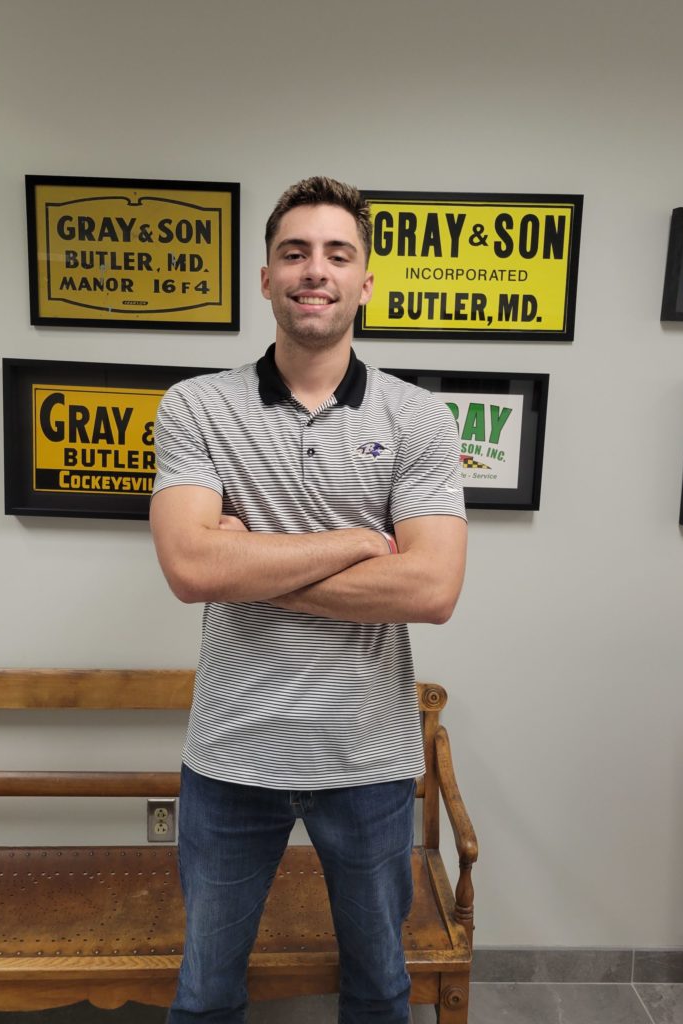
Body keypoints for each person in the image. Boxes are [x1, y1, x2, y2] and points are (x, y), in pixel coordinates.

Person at [150, 176, 468, 1024]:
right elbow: (189, 569)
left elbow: (432, 589)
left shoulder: (420, 419)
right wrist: (361, 544)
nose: (314, 270)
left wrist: (246, 554)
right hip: (230, 757)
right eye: (294, 252)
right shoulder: (196, 407)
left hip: (367, 761)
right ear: (264, 278)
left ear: (366, 281)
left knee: (379, 992)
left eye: (338, 253)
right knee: (206, 996)